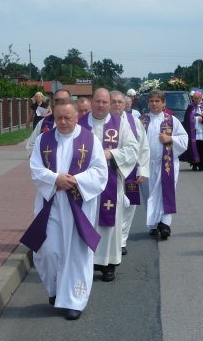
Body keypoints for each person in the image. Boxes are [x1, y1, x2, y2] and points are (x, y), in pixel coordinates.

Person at [20, 100, 107, 320]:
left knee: (76, 254)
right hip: (52, 205)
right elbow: (36, 169)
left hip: (79, 207)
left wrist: (75, 180)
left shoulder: (89, 139)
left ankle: (74, 302)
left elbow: (99, 171)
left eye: (68, 117)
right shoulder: (44, 140)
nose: (64, 122)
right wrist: (55, 179)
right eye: (59, 118)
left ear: (77, 116)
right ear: (54, 117)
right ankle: (55, 291)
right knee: (48, 251)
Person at [78, 88, 139, 282]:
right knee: (86, 221)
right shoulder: (79, 123)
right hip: (84, 185)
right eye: (98, 101)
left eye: (105, 102)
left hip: (110, 184)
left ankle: (108, 264)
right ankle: (86, 262)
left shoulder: (120, 124)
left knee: (108, 222)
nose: (101, 105)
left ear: (110, 103)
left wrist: (111, 154)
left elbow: (132, 149)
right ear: (92, 101)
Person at [140, 90, 188, 239]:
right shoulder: (141, 121)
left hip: (166, 164)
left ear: (163, 103)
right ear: (148, 103)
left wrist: (170, 138)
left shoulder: (172, 120)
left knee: (166, 193)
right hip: (147, 165)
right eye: (151, 101)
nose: (154, 104)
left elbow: (184, 139)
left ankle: (165, 224)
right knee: (149, 195)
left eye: (157, 101)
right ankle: (154, 224)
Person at [110, 91, 150, 256]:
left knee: (129, 207)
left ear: (128, 105)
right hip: (110, 171)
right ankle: (109, 239)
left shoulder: (134, 122)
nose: (118, 105)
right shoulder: (103, 123)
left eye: (121, 102)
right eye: (115, 102)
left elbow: (143, 147)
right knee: (109, 206)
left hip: (131, 171)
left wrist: (142, 168)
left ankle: (122, 240)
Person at [180, 91, 203, 171]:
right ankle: (194, 164)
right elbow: (186, 119)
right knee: (194, 147)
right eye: (194, 98)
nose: (196, 100)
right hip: (193, 131)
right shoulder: (190, 106)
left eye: (197, 98)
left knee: (202, 147)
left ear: (201, 98)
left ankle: (202, 164)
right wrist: (195, 119)